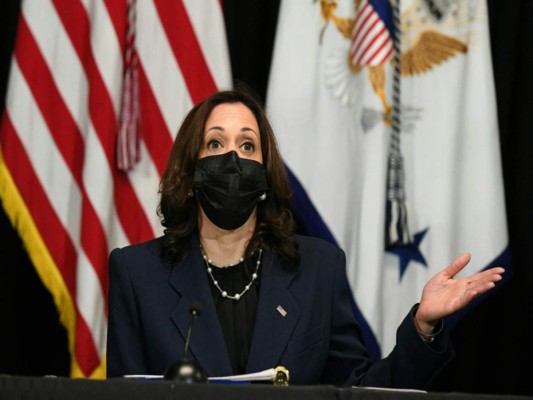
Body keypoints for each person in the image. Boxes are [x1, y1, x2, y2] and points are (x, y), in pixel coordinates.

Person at [106, 89, 504, 387]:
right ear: (190, 173)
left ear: (265, 174)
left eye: (247, 145)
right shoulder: (138, 274)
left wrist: (421, 327)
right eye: (215, 143)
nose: (232, 159)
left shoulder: (318, 268)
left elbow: (358, 392)